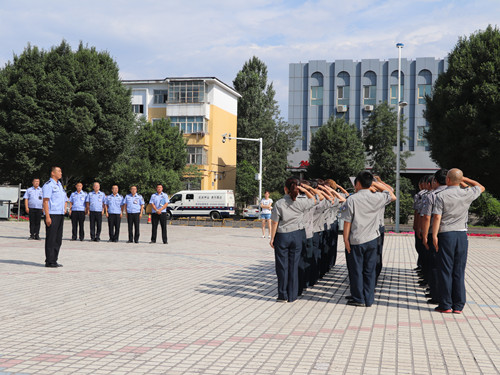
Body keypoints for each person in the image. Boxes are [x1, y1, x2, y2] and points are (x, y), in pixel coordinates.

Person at [432, 169, 484, 314]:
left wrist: (434, 235)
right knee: (459, 270)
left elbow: (437, 217)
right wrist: (462, 179)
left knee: (445, 269)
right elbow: (481, 187)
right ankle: (459, 305)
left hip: (446, 233)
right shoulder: (467, 193)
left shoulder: (441, 195)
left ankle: (446, 304)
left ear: (447, 179)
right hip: (462, 234)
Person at [341, 171, 396, 307]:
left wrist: (345, 240)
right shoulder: (377, 197)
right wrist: (376, 183)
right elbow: (392, 195)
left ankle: (358, 298)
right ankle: (369, 298)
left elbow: (347, 222)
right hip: (373, 238)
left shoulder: (352, 199)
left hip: (356, 239)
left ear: (358, 183)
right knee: (369, 270)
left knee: (356, 270)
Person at [270, 177, 318, 303]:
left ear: (285, 188)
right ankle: (292, 295)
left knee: (282, 266)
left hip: (282, 235)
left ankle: (282, 295)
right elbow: (315, 199)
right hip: (297, 235)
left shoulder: (279, 203)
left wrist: (272, 238)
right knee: (294, 265)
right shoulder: (301, 203)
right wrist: (304, 189)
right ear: (297, 188)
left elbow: (275, 222)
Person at [420, 169, 448, 305]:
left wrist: (424, 236)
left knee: (434, 265)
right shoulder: (458, 192)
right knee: (448, 267)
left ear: (435, 181)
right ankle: (446, 296)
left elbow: (427, 217)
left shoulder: (431, 195)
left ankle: (436, 294)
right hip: (451, 234)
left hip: (434, 233)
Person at [42, 166, 67, 268]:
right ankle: (49, 261)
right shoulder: (48, 185)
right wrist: (47, 216)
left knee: (58, 239)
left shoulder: (60, 185)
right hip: (52, 214)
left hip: (60, 214)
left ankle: (54, 259)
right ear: (53, 173)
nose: (61, 173)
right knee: (51, 238)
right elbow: (45, 201)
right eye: (59, 171)